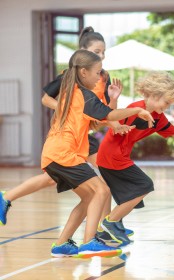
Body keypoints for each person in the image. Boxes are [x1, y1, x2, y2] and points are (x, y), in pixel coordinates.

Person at [0, 27, 133, 240]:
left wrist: (114, 122)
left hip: (84, 133)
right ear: (83, 53)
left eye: (104, 52)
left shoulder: (103, 77)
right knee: (103, 180)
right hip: (70, 135)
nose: (102, 56)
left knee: (55, 179)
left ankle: (7, 197)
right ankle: (105, 227)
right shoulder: (71, 77)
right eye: (97, 51)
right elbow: (46, 99)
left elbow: (104, 111)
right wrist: (70, 111)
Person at [40, 49, 154, 258]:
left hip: (56, 154)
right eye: (97, 72)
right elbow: (109, 115)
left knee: (88, 198)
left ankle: (62, 244)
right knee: (101, 189)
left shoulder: (71, 92)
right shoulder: (83, 94)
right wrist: (136, 110)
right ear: (83, 72)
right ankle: (89, 242)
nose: (99, 77)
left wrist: (112, 100)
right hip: (64, 154)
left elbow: (97, 122)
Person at [96, 71, 174, 245]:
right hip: (112, 156)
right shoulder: (136, 108)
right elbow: (110, 118)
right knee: (144, 185)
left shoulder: (158, 118)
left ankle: (105, 230)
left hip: (118, 157)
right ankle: (110, 222)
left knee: (123, 190)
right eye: (166, 102)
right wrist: (114, 106)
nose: (167, 107)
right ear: (155, 95)